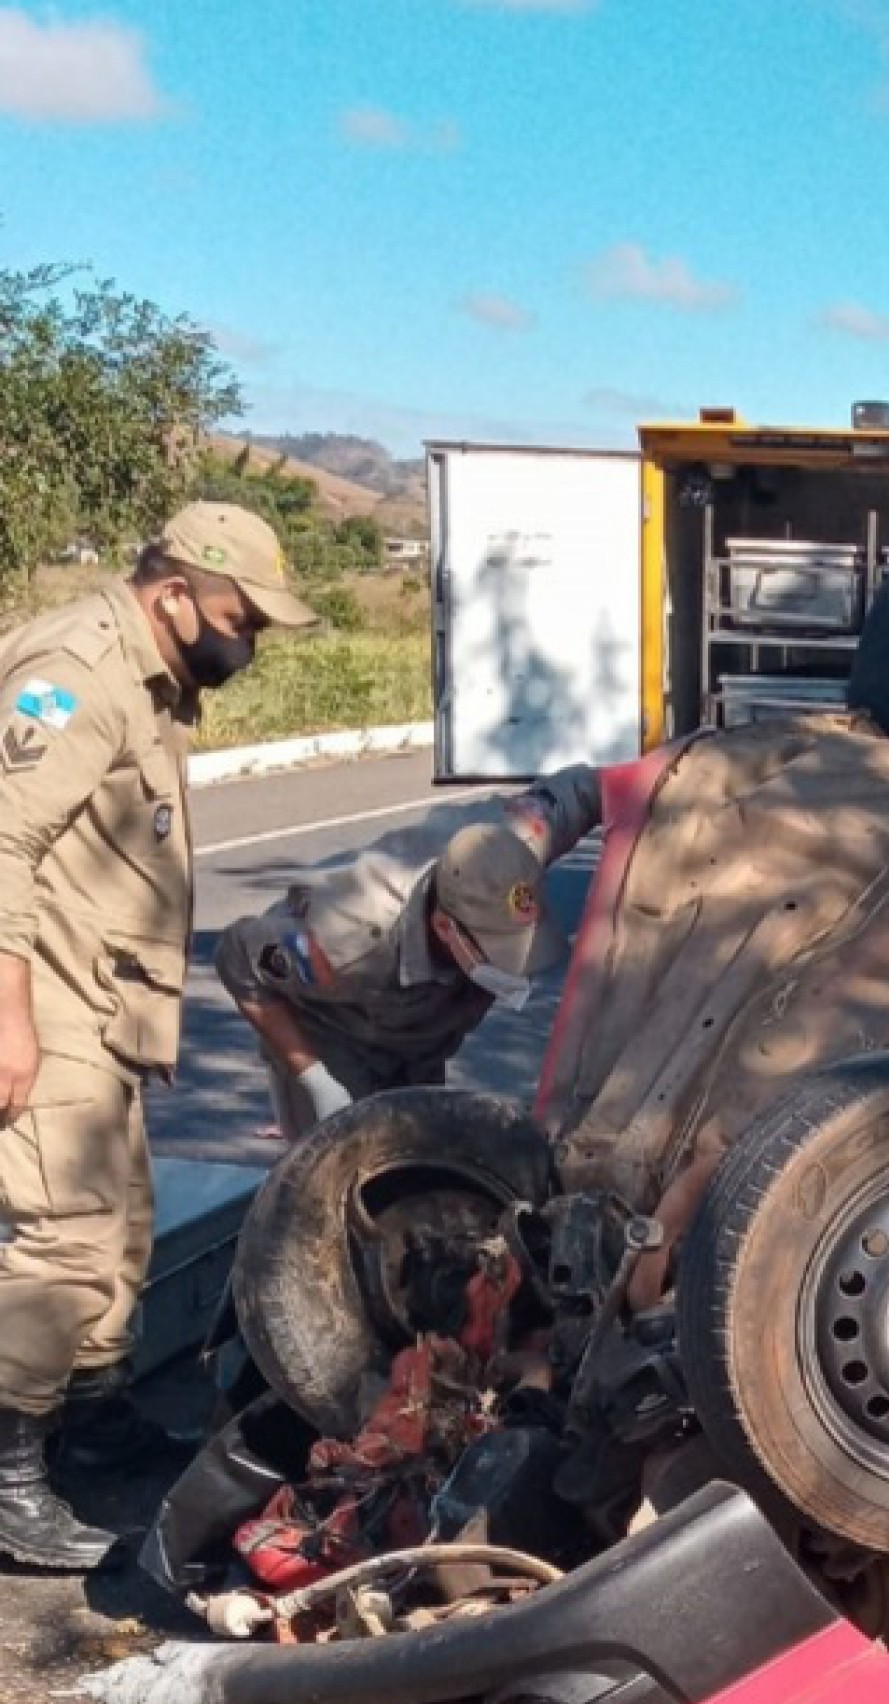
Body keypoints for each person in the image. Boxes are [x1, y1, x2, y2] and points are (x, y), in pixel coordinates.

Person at [0, 501, 317, 1570]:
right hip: (38, 997)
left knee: (124, 1227)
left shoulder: (154, 679)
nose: (252, 639)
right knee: (67, 1242)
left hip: (97, 1000)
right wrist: (7, 1022)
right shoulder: (79, 671)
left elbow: (121, 862)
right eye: (242, 616)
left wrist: (147, 1016)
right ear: (174, 592)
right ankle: (8, 1476)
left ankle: (92, 1425)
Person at [215, 765, 601, 1139]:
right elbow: (237, 958)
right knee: (343, 1173)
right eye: (497, 951)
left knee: (423, 1160)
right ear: (445, 927)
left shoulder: (514, 850)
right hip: (335, 1034)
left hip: (421, 1036)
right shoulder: (341, 942)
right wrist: (314, 1077)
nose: (513, 971)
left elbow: (590, 788)